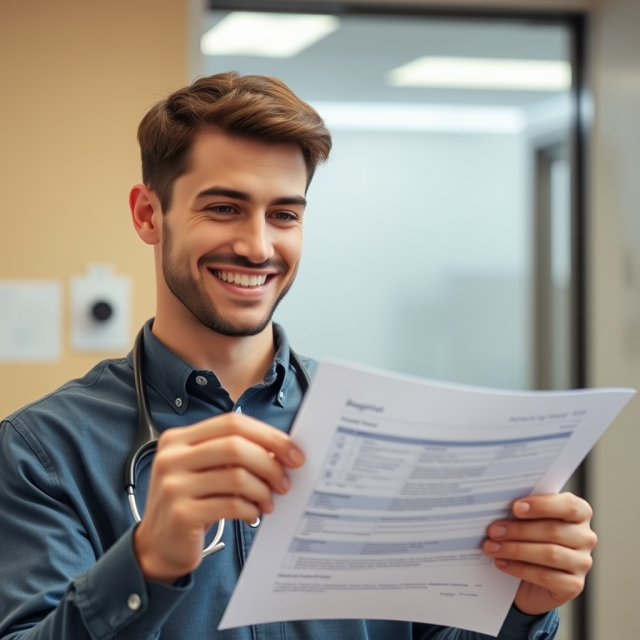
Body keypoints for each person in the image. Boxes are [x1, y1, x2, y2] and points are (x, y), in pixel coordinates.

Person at [0, 72, 596, 640]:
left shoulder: (389, 434)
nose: (258, 246)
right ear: (148, 214)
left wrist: (517, 606)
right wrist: (144, 563)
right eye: (223, 208)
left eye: (284, 214)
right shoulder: (43, 453)